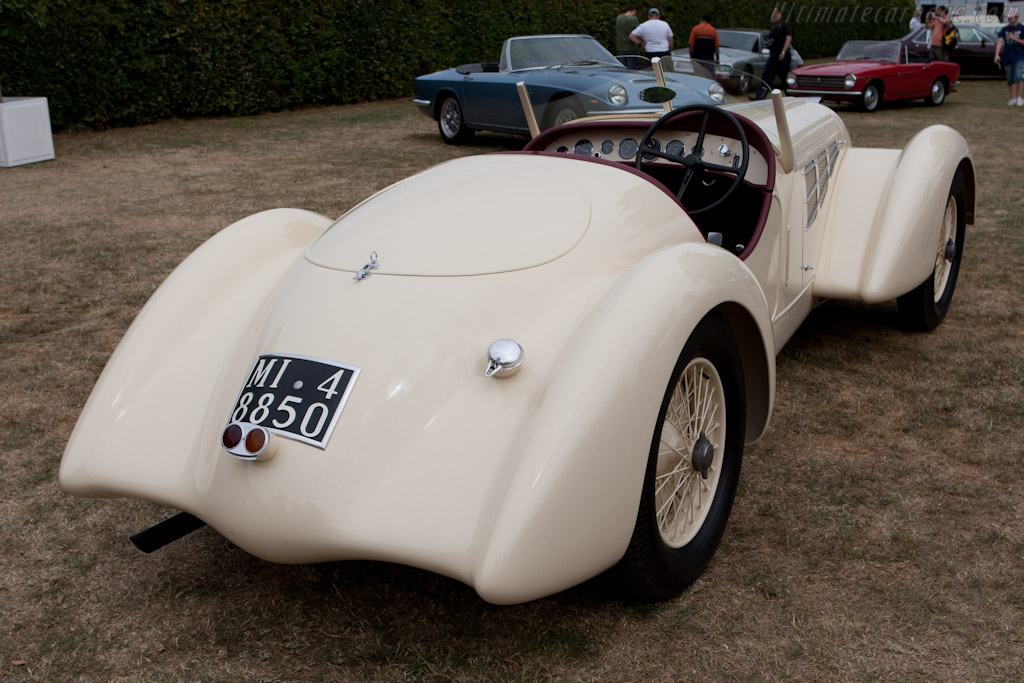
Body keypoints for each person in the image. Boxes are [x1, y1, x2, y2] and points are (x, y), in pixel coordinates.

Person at [751, 7, 792, 100]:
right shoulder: (773, 28)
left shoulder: (785, 26)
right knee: (766, 77)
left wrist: (783, 52)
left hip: (782, 57)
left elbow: (788, 39)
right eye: (773, 13)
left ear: (781, 15)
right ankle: (759, 97)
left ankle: (792, 97)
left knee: (784, 79)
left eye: (777, 13)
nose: (774, 14)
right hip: (773, 56)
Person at [994, 11, 1024, 105]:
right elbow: (1000, 42)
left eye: (1011, 17)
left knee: (1019, 76)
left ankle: (1019, 97)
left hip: (1019, 56)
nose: (1009, 19)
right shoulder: (1005, 29)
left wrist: (1014, 38)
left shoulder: (1022, 28)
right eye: (1008, 17)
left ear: (1017, 17)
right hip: (1008, 56)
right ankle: (1012, 98)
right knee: (1010, 78)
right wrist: (997, 54)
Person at [688, 14, 720, 79]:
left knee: (697, 77)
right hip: (709, 59)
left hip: (697, 58)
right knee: (710, 77)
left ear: (702, 20)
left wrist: (691, 57)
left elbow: (691, 45)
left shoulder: (695, 29)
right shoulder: (713, 31)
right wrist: (717, 59)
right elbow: (716, 47)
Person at [616, 4, 641, 69]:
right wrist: (640, 42)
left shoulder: (619, 18)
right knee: (632, 70)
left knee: (622, 70)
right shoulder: (633, 19)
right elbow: (638, 32)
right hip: (631, 48)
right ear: (635, 11)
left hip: (620, 48)